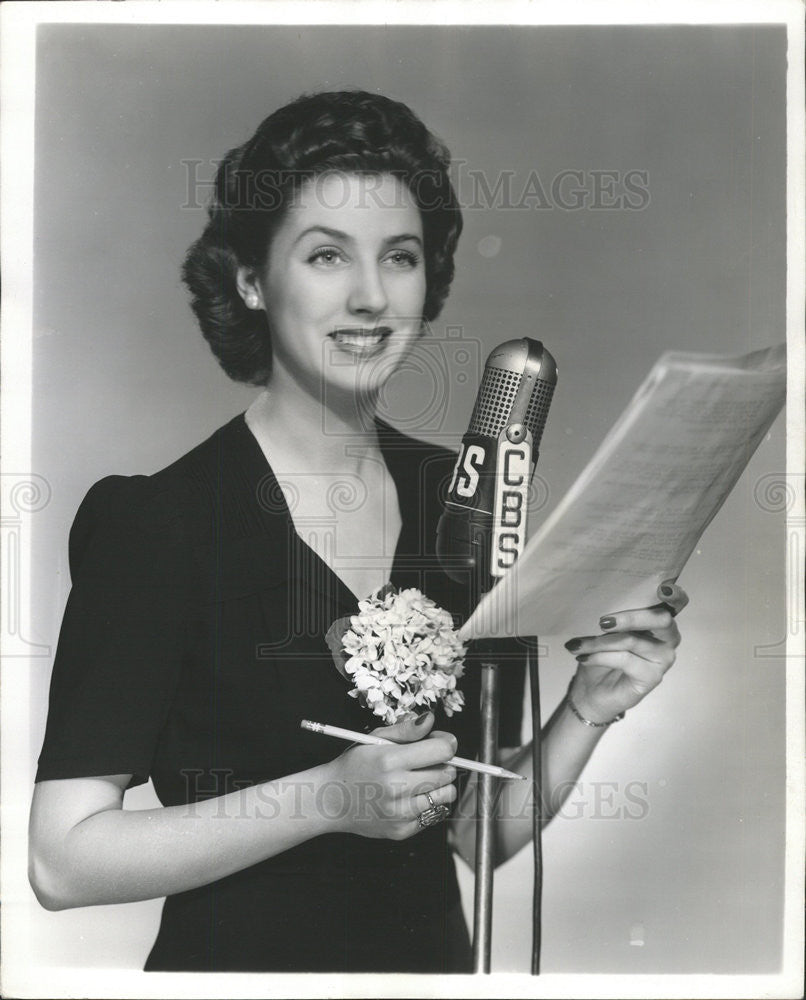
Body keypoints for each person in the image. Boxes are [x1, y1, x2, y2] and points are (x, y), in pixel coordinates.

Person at [29, 90, 684, 973]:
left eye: (400, 257)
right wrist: (330, 800)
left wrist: (587, 708)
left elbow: (477, 835)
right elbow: (61, 860)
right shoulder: (157, 524)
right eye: (327, 254)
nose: (372, 296)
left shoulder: (460, 495)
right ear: (252, 279)